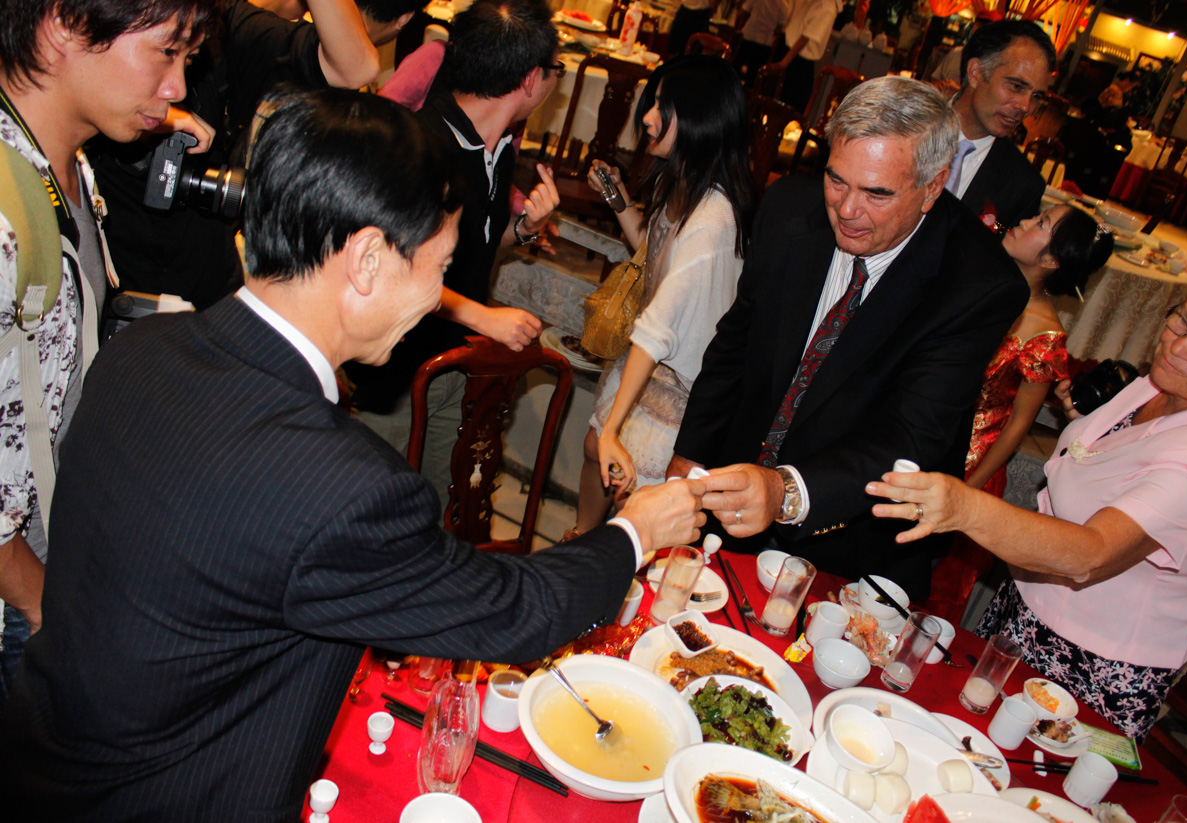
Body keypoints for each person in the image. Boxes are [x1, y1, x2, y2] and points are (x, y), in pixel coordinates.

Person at [0, 88, 707, 819]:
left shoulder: (139, 348)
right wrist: (637, 529)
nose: (436, 297)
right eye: (439, 267)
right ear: (367, 259)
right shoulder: (345, 486)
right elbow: (515, 611)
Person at [668, 76, 1028, 599]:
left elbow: (912, 433)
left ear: (933, 186)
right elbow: (736, 344)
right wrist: (691, 455)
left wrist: (786, 491)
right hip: (733, 495)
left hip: (853, 540)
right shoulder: (789, 208)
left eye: (877, 193)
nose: (847, 209)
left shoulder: (978, 283)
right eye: (837, 181)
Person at [868, 265, 1187, 741]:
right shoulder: (1166, 383)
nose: (1179, 346)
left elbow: (1090, 555)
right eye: (1182, 321)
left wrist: (965, 507)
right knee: (959, 737)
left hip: (1096, 662)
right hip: (1028, 606)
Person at [0, 0, 218, 707]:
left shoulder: (66, 165)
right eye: (165, 52)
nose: (177, 86)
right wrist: (38, 602)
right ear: (64, 25)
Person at [345, 0, 561, 508]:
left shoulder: (497, 150)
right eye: (556, 70)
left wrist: (524, 229)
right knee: (366, 513)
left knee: (434, 510)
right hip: (396, 375)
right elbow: (394, 272)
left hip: (451, 367)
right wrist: (483, 317)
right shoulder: (424, 147)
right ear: (531, 78)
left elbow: (475, 247)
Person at [87, 0, 391, 312]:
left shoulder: (222, 24)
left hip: (212, 293)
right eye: (166, 52)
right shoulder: (99, 30)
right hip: (117, 298)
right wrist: (148, 112)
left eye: (188, 58)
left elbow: (356, 68)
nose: (176, 89)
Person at [570, 57, 756, 535]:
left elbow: (656, 330)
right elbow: (652, 253)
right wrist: (615, 197)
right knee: (595, 451)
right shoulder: (683, 184)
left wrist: (614, 428)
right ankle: (581, 544)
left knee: (634, 501)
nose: (649, 117)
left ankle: (599, 559)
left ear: (698, 119)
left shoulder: (713, 218)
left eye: (662, 106)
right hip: (651, 365)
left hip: (679, 383)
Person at [966, 205, 1114, 496]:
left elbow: (1019, 422)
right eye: (1037, 216)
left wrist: (971, 486)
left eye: (1040, 223)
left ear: (1051, 259)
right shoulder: (982, 281)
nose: (1024, 221)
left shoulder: (1044, 336)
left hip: (968, 457)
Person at [948, 20, 1055, 230]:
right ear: (975, 73)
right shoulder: (904, 126)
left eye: (1036, 96)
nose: (1025, 107)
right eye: (1016, 86)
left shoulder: (1023, 184)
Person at [768, 0, 843, 112]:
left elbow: (803, 34)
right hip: (795, 61)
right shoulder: (826, 6)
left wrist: (782, 61)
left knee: (776, 106)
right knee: (785, 109)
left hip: (790, 56)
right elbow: (805, 37)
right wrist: (783, 63)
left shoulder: (824, 4)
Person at [734, 0, 792, 85]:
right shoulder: (783, 5)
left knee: (735, 69)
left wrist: (737, 28)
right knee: (753, 77)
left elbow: (743, 12)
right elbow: (779, 28)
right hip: (764, 41)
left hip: (748, 35)